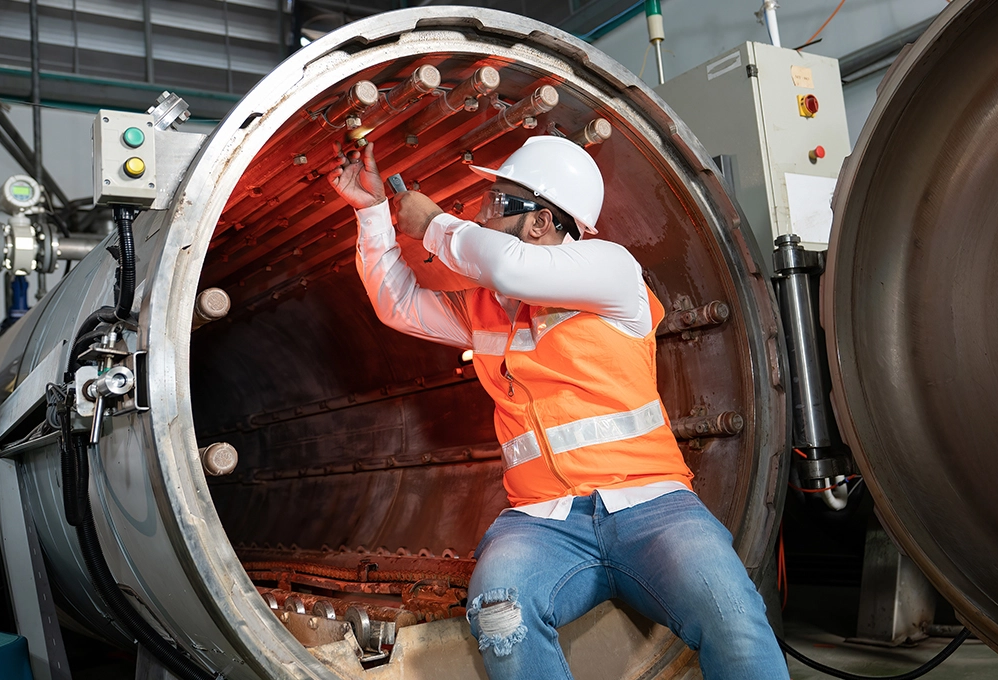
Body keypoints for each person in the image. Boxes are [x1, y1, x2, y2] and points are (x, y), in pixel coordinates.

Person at [322, 135, 788, 679]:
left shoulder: (611, 269)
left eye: (494, 204)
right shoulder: (487, 308)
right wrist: (374, 213)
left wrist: (433, 224)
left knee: (732, 613)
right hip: (542, 522)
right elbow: (398, 302)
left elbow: (511, 267)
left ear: (540, 221)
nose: (477, 213)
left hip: (653, 508)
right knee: (500, 612)